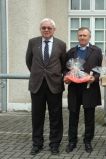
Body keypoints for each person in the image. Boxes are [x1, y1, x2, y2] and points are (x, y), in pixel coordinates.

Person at [26, 18, 66, 155]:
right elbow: (29, 61)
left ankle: (54, 144)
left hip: (54, 85)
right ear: (40, 29)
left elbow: (63, 63)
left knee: (56, 116)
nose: (46, 30)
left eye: (49, 28)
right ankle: (37, 144)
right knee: (37, 116)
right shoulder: (33, 42)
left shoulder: (61, 44)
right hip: (37, 85)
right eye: (44, 28)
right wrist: (38, 73)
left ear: (54, 30)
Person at [64, 27, 102, 153]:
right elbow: (65, 69)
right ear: (77, 37)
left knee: (89, 117)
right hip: (74, 89)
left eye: (85, 35)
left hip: (89, 88)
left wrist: (94, 78)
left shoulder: (96, 51)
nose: (82, 37)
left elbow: (99, 69)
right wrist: (67, 77)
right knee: (73, 116)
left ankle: (88, 141)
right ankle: (72, 141)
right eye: (80, 35)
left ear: (89, 37)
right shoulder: (71, 51)